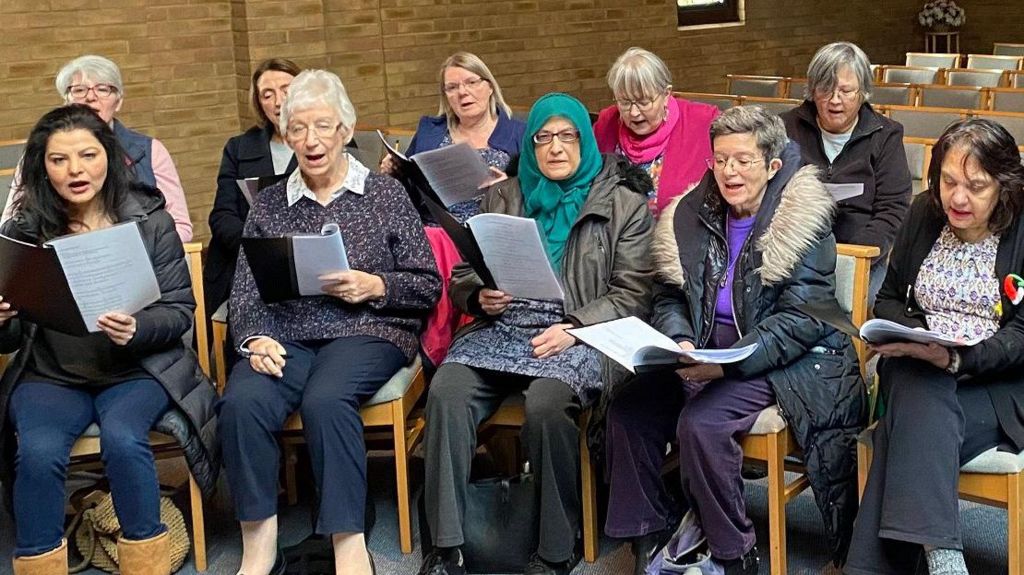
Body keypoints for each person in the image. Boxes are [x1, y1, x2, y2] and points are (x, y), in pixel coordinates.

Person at [604, 106, 864, 575]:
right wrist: (679, 340)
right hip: (699, 349)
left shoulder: (802, 220)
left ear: (772, 166)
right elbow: (669, 295)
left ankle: (734, 552)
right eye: (720, 159)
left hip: (783, 358)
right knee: (629, 411)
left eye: (743, 160)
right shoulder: (690, 214)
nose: (729, 171)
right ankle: (652, 534)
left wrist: (726, 365)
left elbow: (803, 318)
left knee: (701, 425)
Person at [417, 93, 655, 575]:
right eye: (543, 138)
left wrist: (575, 328)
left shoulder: (623, 203)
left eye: (567, 136)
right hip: (502, 325)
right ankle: (447, 546)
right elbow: (465, 272)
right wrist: (479, 295)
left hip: (580, 331)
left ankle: (555, 548)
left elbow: (633, 293)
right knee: (447, 390)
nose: (555, 148)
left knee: (547, 406)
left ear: (584, 141)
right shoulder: (503, 194)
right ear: (531, 146)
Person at [217, 69, 441, 575]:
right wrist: (255, 340)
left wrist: (376, 285)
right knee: (243, 399)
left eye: (323, 126)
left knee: (325, 398)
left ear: (345, 129)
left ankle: (348, 543)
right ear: (285, 134)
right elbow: (245, 293)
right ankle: (259, 543)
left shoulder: (384, 194)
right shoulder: (270, 203)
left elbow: (426, 283)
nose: (311, 140)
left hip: (367, 330)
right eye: (298, 128)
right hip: (288, 334)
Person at [0, 104, 218, 575]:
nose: (75, 170)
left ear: (111, 157)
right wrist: (1, 319)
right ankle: (39, 563)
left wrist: (139, 328)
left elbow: (180, 311)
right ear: (42, 167)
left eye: (87, 155)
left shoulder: (150, 220)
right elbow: (11, 337)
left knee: (123, 438)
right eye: (59, 160)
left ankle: (145, 560)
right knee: (36, 450)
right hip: (51, 376)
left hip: (137, 369)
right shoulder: (23, 231)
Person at [846, 119, 1024, 575]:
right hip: (917, 365)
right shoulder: (924, 212)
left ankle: (912, 562)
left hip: (993, 385)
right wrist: (924, 338)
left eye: (976, 186)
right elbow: (887, 298)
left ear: (1004, 187)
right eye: (948, 181)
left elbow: (1022, 334)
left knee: (902, 427)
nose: (957, 198)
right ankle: (944, 557)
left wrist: (959, 355)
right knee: (919, 383)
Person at [2, 55, 193, 242]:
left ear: (118, 102)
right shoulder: (40, 152)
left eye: (103, 89)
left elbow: (180, 226)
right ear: (66, 100)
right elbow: (10, 227)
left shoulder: (150, 150)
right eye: (79, 90)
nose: (91, 97)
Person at [781, 41, 912, 301]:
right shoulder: (786, 127)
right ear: (811, 90)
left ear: (862, 92)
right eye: (825, 90)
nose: (834, 101)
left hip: (860, 255)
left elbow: (893, 209)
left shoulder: (885, 136)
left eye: (846, 91)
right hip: (794, 252)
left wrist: (853, 257)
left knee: (868, 303)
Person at [204, 57, 301, 367]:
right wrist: (257, 244)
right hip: (248, 259)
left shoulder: (325, 145)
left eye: (285, 89)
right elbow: (221, 218)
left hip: (306, 257)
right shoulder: (239, 147)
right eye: (267, 93)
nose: (277, 100)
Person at [381, 51, 525, 221]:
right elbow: (411, 191)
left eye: (471, 82)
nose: (462, 92)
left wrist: (509, 186)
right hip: (435, 231)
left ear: (490, 87)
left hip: (493, 229)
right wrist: (395, 174)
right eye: (452, 87)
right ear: (446, 96)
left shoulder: (520, 133)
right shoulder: (430, 132)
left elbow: (539, 189)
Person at [593, 47, 719, 217]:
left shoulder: (702, 121)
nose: (634, 112)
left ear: (666, 94)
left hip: (677, 238)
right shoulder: (606, 124)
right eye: (624, 102)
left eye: (644, 102)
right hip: (617, 238)